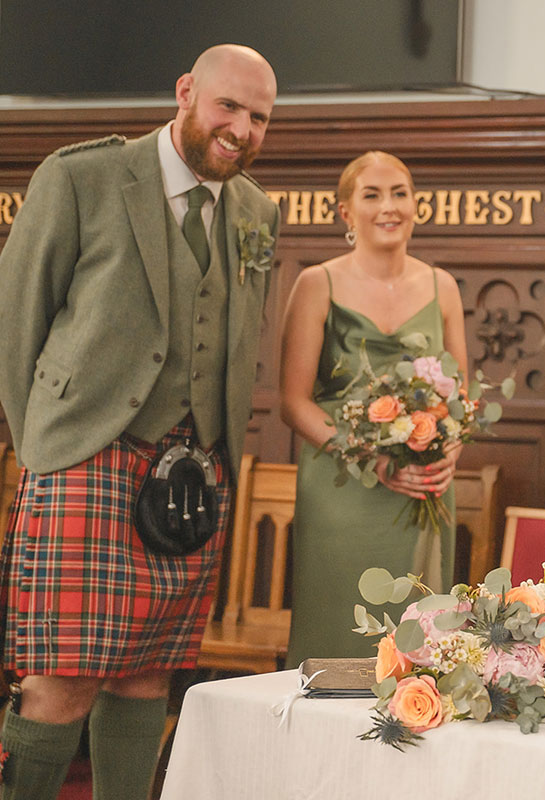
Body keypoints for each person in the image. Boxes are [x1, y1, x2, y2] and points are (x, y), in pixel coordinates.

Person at [0, 44, 279, 800]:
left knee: (148, 675)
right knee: (62, 679)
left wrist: (219, 453)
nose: (242, 128)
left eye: (259, 117)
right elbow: (16, 321)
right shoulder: (82, 176)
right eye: (228, 106)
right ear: (186, 91)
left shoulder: (256, 210)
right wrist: (44, 449)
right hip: (83, 458)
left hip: (193, 473)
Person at [280, 151, 467, 667]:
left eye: (400, 193)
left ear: (415, 205)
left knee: (416, 647)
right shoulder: (317, 284)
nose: (389, 206)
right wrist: (372, 458)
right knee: (338, 633)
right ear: (345, 212)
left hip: (421, 489)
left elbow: (459, 395)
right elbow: (293, 403)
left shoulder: (442, 287)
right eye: (372, 194)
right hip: (342, 489)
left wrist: (449, 447)